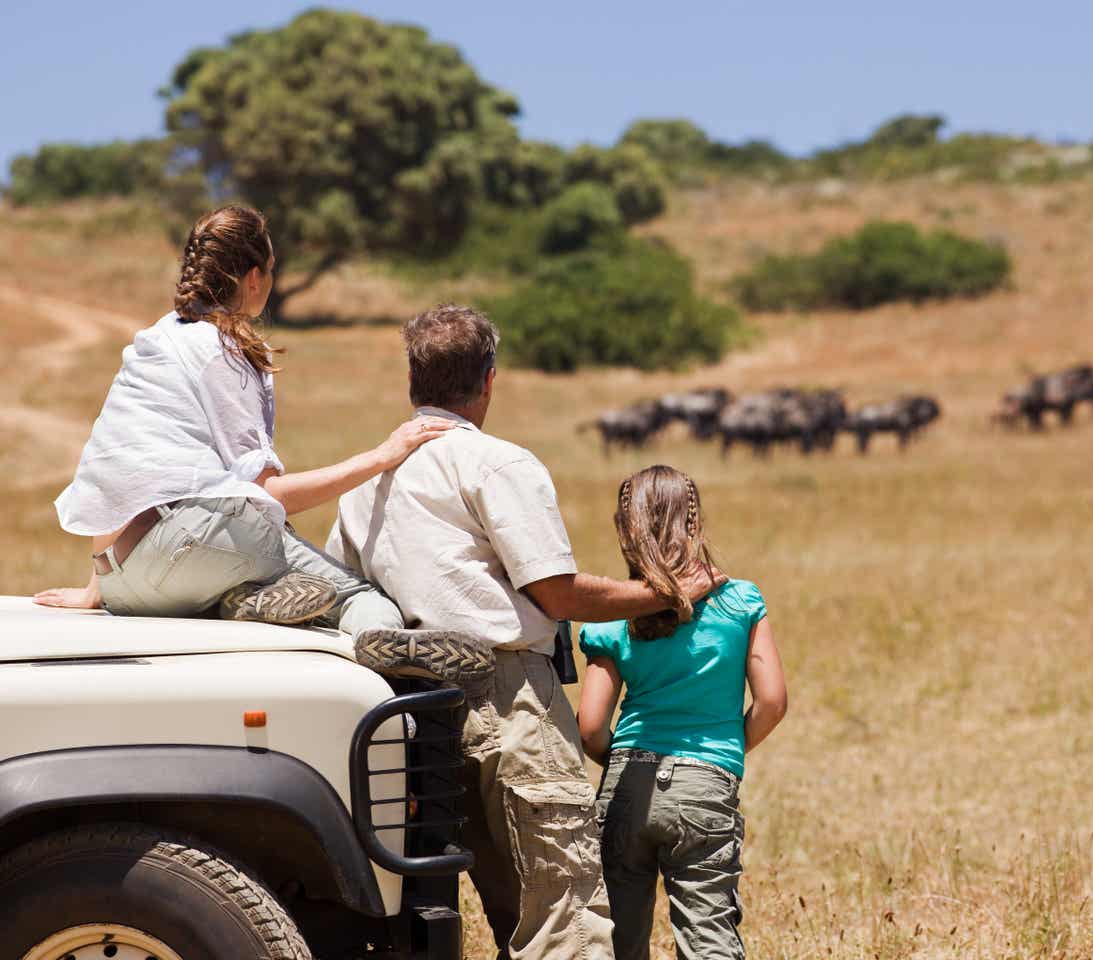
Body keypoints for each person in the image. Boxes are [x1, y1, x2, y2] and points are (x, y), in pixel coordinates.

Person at [326, 303, 720, 960]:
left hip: (403, 706)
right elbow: (556, 593)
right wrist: (667, 591)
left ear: (413, 383)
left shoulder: (365, 483)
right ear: (488, 380)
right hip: (509, 699)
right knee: (559, 904)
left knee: (459, 899)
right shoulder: (497, 463)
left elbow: (348, 592)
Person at [35, 205, 451, 630]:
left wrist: (96, 589)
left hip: (119, 582)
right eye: (270, 268)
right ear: (254, 278)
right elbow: (270, 493)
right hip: (186, 552)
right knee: (356, 595)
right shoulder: (226, 349)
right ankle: (387, 644)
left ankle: (237, 600)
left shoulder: (157, 338)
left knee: (247, 543)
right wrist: (383, 455)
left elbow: (121, 466)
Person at [576, 465, 787, 960]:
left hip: (627, 783)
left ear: (626, 530)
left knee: (619, 937)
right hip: (707, 784)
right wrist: (724, 749)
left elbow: (589, 728)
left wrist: (623, 756)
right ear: (694, 523)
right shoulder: (740, 601)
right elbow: (773, 702)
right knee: (708, 934)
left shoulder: (613, 617)